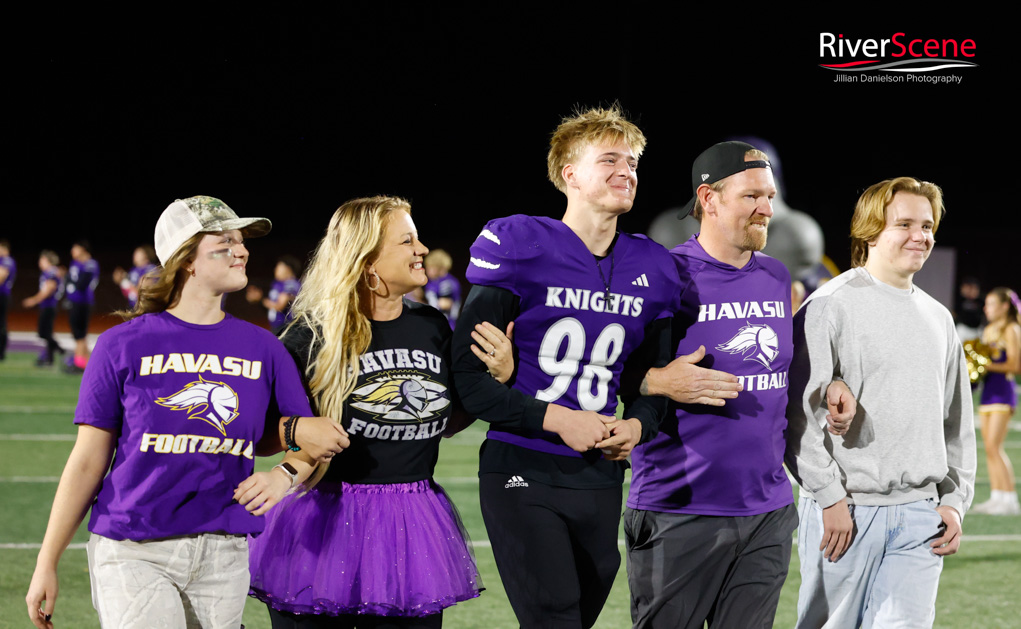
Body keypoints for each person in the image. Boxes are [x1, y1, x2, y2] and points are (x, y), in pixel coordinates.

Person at [25, 195, 347, 629]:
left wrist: (282, 476)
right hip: (134, 548)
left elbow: (308, 438)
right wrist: (48, 561)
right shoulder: (121, 344)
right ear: (186, 260)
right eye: (225, 242)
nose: (242, 250)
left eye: (242, 241)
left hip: (225, 552)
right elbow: (87, 460)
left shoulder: (263, 347)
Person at [451, 105, 685, 628]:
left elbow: (650, 378)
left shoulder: (653, 265)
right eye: (609, 160)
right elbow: (467, 381)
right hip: (523, 463)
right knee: (553, 614)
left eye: (632, 162)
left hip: (600, 475)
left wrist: (637, 424)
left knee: (579, 614)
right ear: (568, 174)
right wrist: (559, 418)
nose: (626, 171)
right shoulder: (520, 244)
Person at [241, 196, 512, 629]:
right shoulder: (308, 335)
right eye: (407, 241)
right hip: (323, 521)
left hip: (411, 520)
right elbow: (262, 434)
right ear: (367, 263)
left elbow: (446, 422)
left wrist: (494, 380)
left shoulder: (433, 326)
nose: (422, 249)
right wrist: (297, 429)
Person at [626, 141, 853, 629]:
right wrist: (654, 379)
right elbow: (609, 369)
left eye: (770, 196)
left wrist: (832, 380)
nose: (768, 209)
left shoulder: (775, 275)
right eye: (752, 196)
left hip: (767, 513)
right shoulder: (665, 275)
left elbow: (786, 370)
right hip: (680, 508)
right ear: (708, 199)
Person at [786, 177, 976, 629]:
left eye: (927, 225)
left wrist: (953, 502)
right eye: (905, 224)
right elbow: (797, 417)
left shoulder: (940, 318)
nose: (921, 236)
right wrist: (829, 497)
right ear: (870, 231)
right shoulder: (829, 305)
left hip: (920, 516)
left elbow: (956, 423)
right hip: (845, 512)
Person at [970, 287, 1021, 515]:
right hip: (988, 392)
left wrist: (985, 365)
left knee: (995, 446)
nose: (986, 308)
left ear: (1004, 306)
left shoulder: (1012, 329)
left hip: (1003, 392)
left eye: (991, 304)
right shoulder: (989, 329)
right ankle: (996, 496)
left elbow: (1015, 366)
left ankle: (1010, 498)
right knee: (988, 449)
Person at [63, 239, 100, 373]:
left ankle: (79, 362)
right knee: (79, 333)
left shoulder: (90, 264)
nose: (72, 251)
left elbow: (81, 284)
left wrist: (67, 277)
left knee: (79, 333)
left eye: (75, 248)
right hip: (75, 301)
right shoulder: (76, 263)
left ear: (83, 250)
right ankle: (86, 362)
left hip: (82, 302)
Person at [22, 250, 64, 366]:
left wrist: (33, 300)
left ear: (47, 260)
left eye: (42, 260)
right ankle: (52, 354)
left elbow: (48, 289)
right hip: (47, 305)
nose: (39, 262)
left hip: (49, 305)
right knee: (45, 332)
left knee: (45, 332)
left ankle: (54, 353)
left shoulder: (51, 272)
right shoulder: (50, 272)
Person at [247, 254, 303, 335]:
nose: (275, 269)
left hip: (286, 328)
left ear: (287, 269)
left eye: (279, 267)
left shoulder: (291, 284)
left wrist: (260, 299)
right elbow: (272, 307)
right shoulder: (277, 284)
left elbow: (279, 306)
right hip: (276, 327)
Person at [423, 249, 461, 328]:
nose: (427, 270)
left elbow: (447, 304)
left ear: (440, 268)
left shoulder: (448, 283)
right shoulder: (431, 282)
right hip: (433, 323)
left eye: (430, 267)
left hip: (445, 325)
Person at [0, 239, 15, 361]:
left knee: (1, 323)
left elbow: (1, 276)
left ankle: (1, 351)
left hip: (2, 295)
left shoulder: (7, 260)